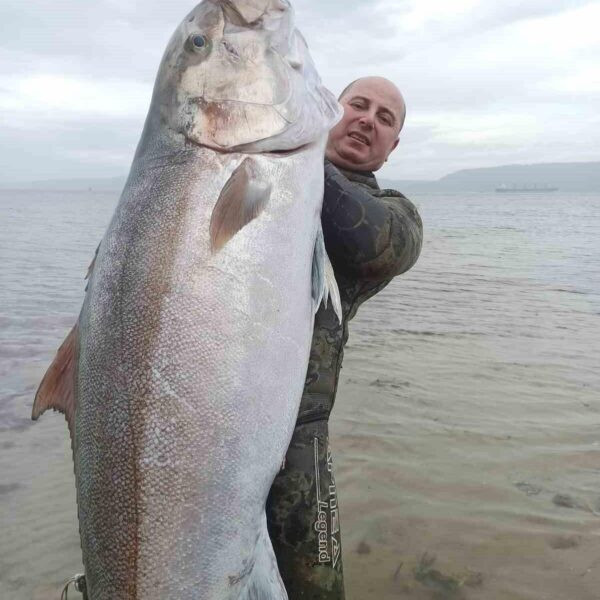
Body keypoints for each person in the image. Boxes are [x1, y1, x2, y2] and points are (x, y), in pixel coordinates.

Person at [266, 76, 424, 599]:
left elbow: (372, 242)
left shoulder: (395, 215)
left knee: (315, 588)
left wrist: (297, 146)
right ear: (331, 110)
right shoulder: (265, 172)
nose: (367, 120)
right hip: (202, 409)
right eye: (358, 105)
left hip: (297, 442)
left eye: (385, 118)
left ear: (392, 147)